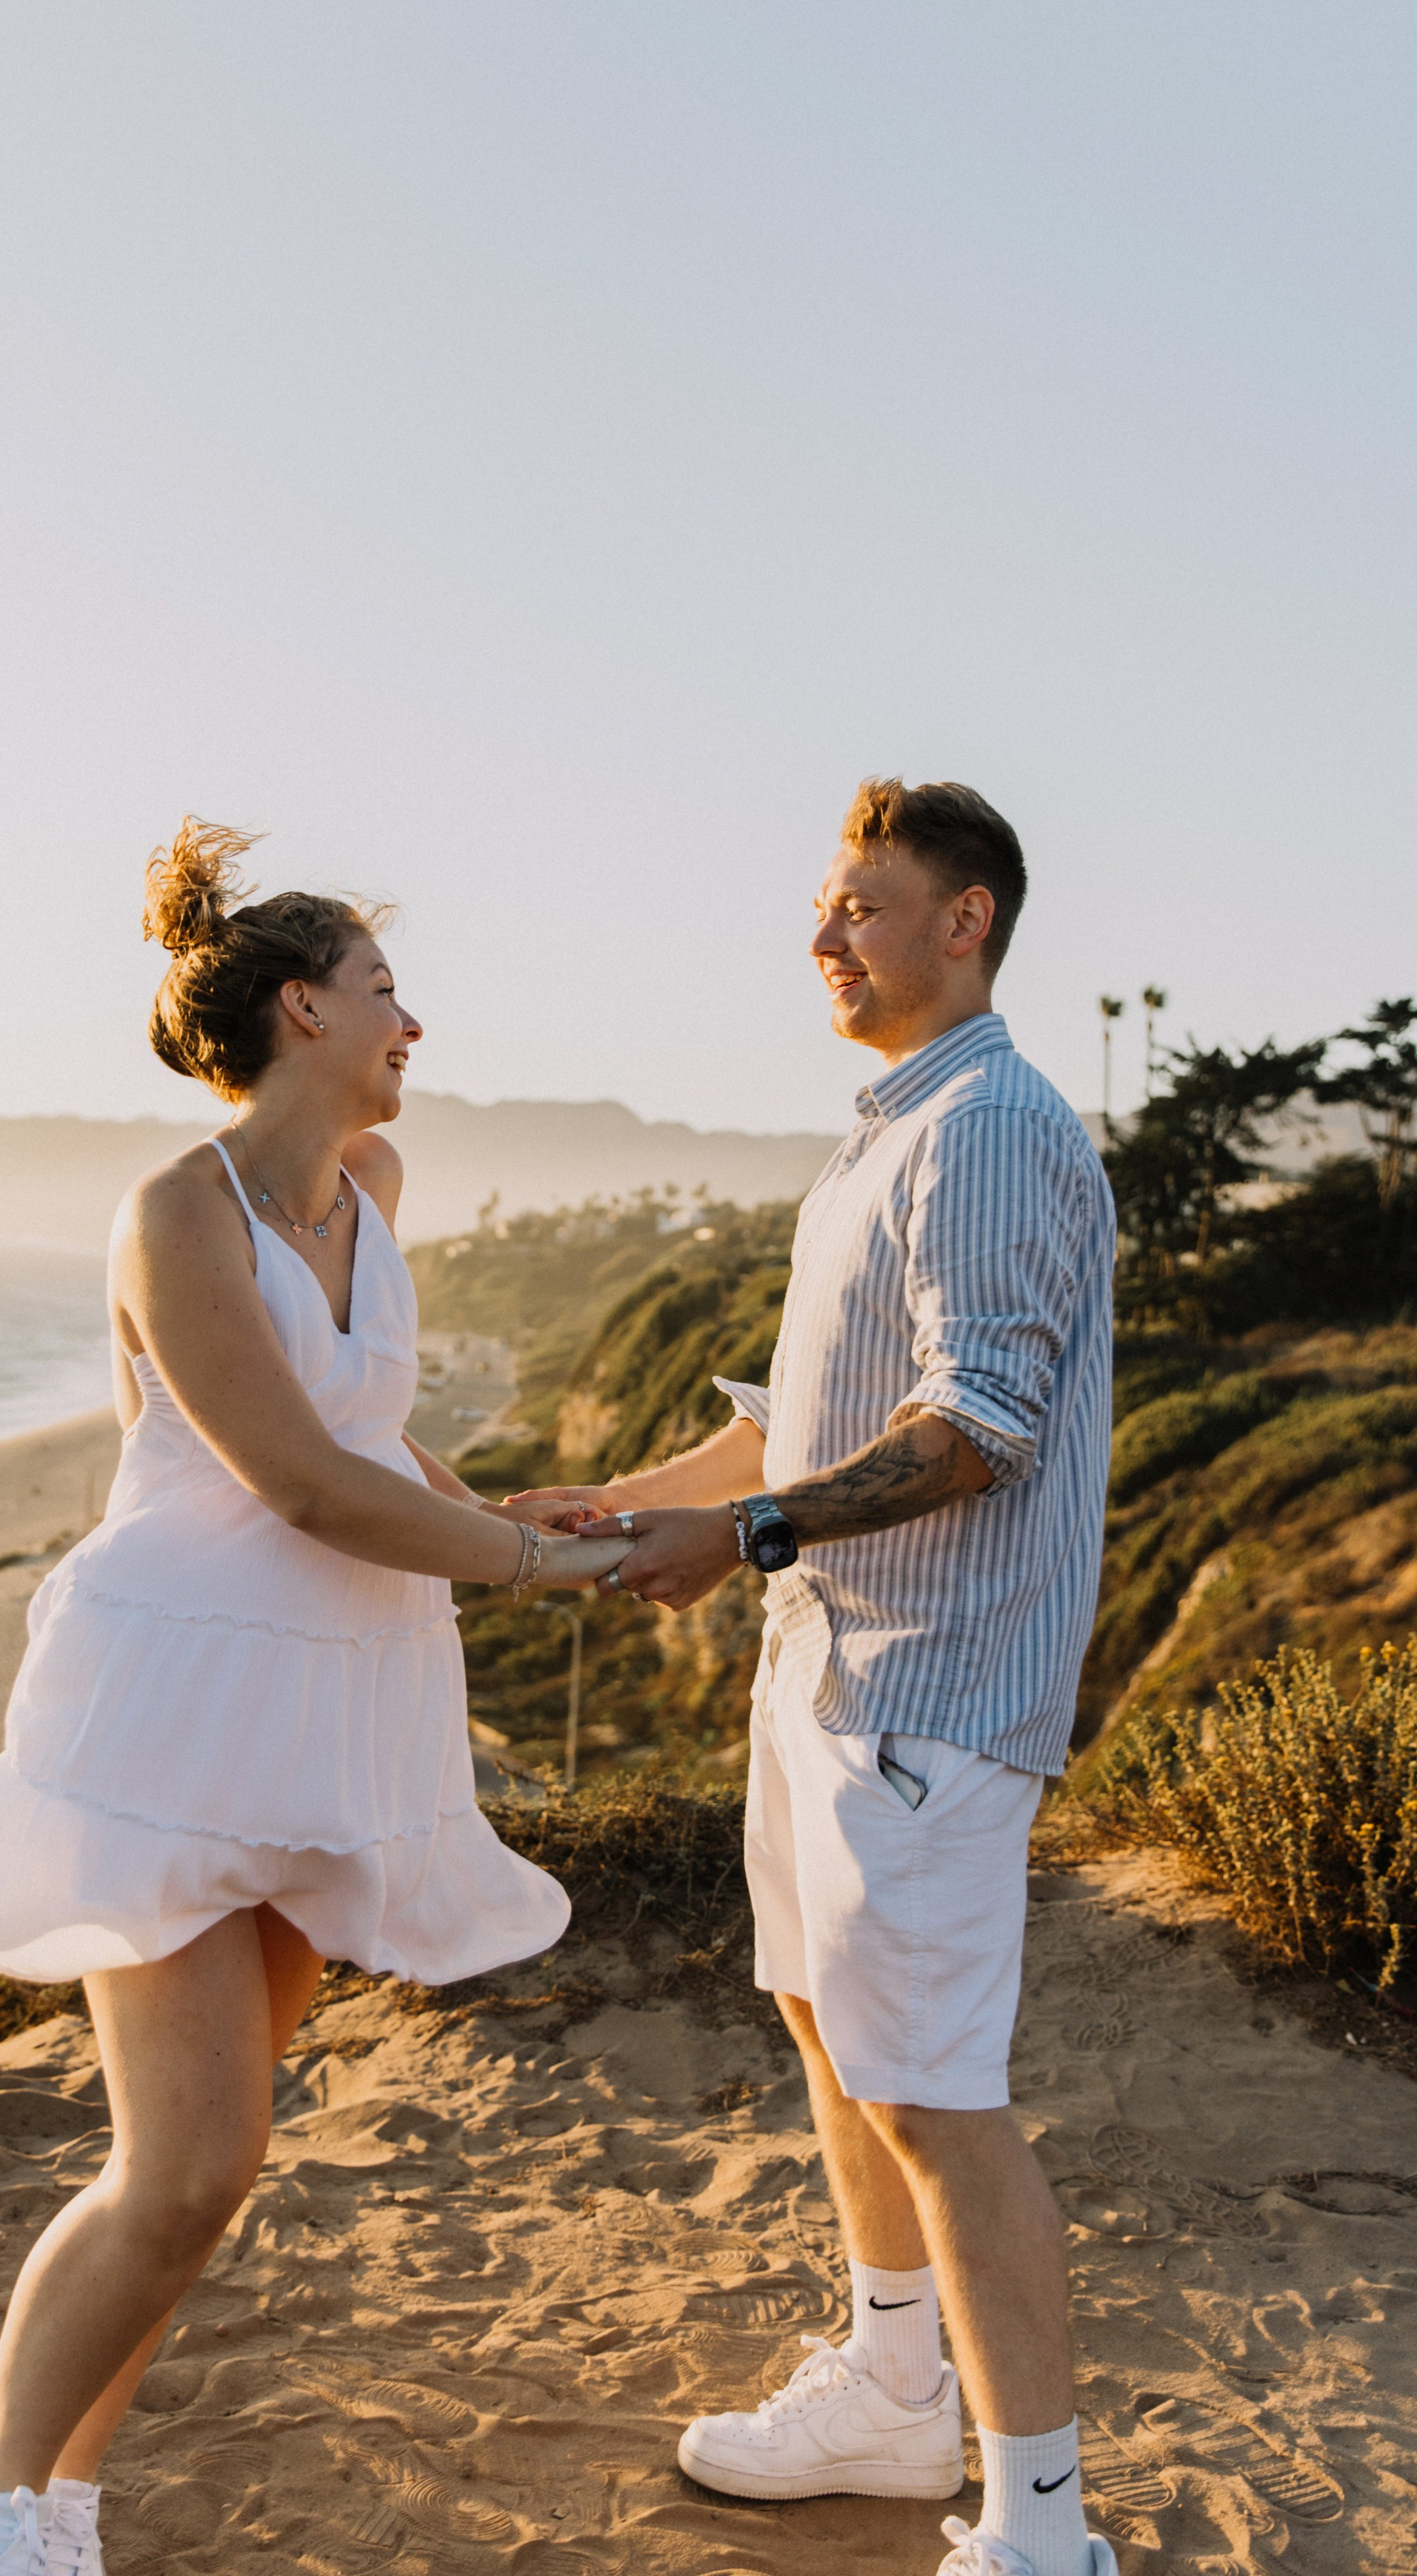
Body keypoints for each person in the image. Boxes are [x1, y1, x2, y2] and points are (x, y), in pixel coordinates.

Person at [0, 821, 618, 2576]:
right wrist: (537, 1572)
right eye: (386, 990)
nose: (413, 1025)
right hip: (172, 1711)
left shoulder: (369, 1192)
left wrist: (493, 1507)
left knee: (205, 2168)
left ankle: (47, 2487)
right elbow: (292, 1477)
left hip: (332, 1705)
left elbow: (366, 1432)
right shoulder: (176, 1210)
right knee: (187, 2160)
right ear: (302, 1007)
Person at [512, 778, 1118, 2576]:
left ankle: (1039, 2528)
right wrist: (626, 1502)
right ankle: (884, 2386)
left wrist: (747, 1534)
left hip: (929, 1683)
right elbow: (811, 1421)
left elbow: (976, 1430)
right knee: (834, 2039)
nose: (821, 934)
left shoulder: (989, 1125)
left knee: (932, 2093)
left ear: (966, 921)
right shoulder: (886, 1130)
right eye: (821, 903)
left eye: (860, 903)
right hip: (827, 1676)